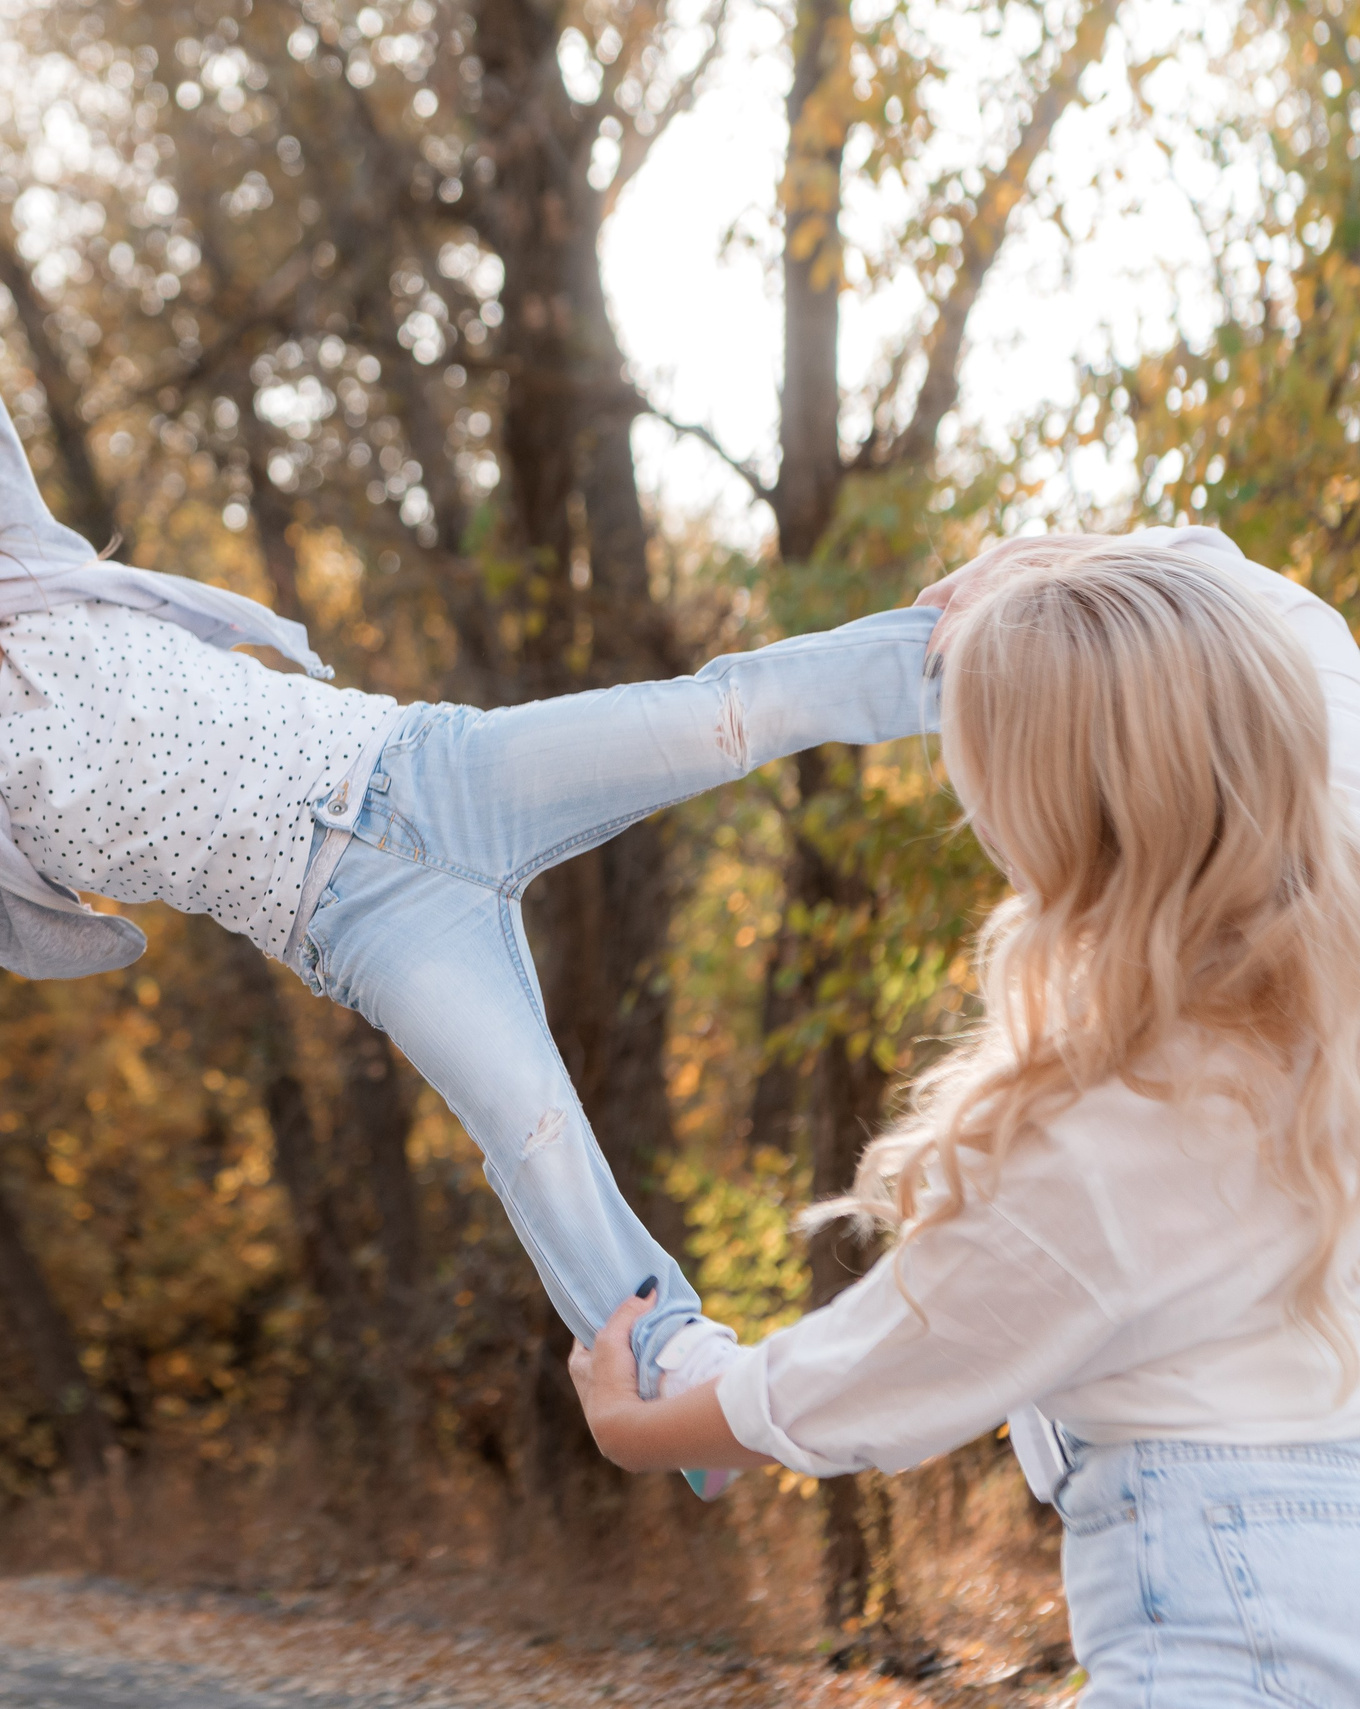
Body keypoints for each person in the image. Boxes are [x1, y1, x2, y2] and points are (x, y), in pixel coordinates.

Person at [0, 179, 943, 1433]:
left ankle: (945, 659)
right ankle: (667, 1356)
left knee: (714, 713)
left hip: (431, 767)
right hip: (365, 924)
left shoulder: (34, 576)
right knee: (529, 1121)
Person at [568, 532, 1360, 1705]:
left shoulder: (1105, 1135)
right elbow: (1302, 629)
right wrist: (1077, 563)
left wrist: (646, 1426)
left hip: (1223, 1635)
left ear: (1052, 818)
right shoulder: (1331, 886)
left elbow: (876, 1369)